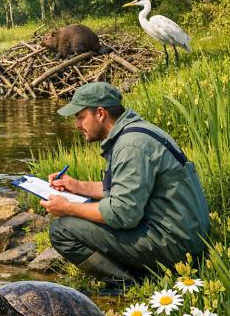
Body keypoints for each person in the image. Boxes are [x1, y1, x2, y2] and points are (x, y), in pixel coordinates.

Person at [41, 82, 209, 281]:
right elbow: (122, 189)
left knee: (62, 230)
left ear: (100, 114)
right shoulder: (137, 132)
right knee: (81, 216)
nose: (77, 125)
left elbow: (122, 214)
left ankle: (129, 282)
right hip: (187, 237)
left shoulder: (130, 146)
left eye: (80, 117)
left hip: (174, 246)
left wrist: (68, 208)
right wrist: (76, 186)